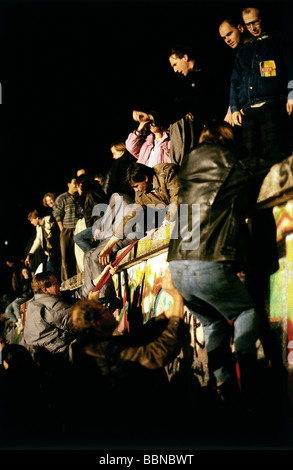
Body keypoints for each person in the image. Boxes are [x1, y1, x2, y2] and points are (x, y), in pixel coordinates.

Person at [167, 121, 274, 409]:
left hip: (178, 264)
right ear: (228, 138)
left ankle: (224, 385)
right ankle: (249, 377)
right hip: (209, 260)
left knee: (213, 323)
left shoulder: (187, 164)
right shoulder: (233, 160)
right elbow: (266, 166)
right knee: (245, 311)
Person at [68, 266, 186, 436]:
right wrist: (177, 297)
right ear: (96, 324)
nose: (110, 311)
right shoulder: (103, 353)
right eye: (104, 312)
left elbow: (137, 337)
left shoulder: (90, 345)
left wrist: (170, 311)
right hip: (137, 427)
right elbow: (158, 354)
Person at [230, 6, 293, 162]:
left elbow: (291, 68)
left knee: (274, 154)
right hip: (249, 110)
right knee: (251, 157)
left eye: (255, 22)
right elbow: (235, 82)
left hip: (272, 104)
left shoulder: (278, 40)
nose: (252, 27)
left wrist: (291, 95)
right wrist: (234, 108)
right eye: (248, 24)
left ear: (261, 18)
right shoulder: (243, 51)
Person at [98, 162, 179, 266]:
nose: (136, 190)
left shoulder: (167, 172)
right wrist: (109, 245)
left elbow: (177, 199)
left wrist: (163, 227)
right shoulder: (140, 194)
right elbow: (131, 217)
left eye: (136, 186)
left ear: (145, 178)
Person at [23, 269, 103, 362]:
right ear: (45, 289)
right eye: (56, 283)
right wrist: (91, 302)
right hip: (62, 355)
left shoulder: (35, 301)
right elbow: (78, 325)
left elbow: (76, 295)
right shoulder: (51, 306)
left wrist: (99, 278)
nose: (60, 285)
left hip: (46, 357)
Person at [53, 175, 80, 281]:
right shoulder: (62, 198)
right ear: (68, 184)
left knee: (78, 256)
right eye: (74, 183)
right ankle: (67, 280)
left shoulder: (79, 196)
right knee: (66, 257)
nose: (76, 185)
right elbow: (57, 215)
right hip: (66, 230)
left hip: (78, 229)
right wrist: (62, 230)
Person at [5, 266, 33, 332]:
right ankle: (17, 323)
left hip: (25, 296)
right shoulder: (21, 281)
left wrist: (27, 279)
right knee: (7, 310)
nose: (26, 273)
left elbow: (28, 292)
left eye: (26, 271)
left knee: (15, 303)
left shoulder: (30, 280)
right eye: (24, 272)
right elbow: (17, 290)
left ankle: (20, 320)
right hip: (20, 297)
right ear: (22, 274)